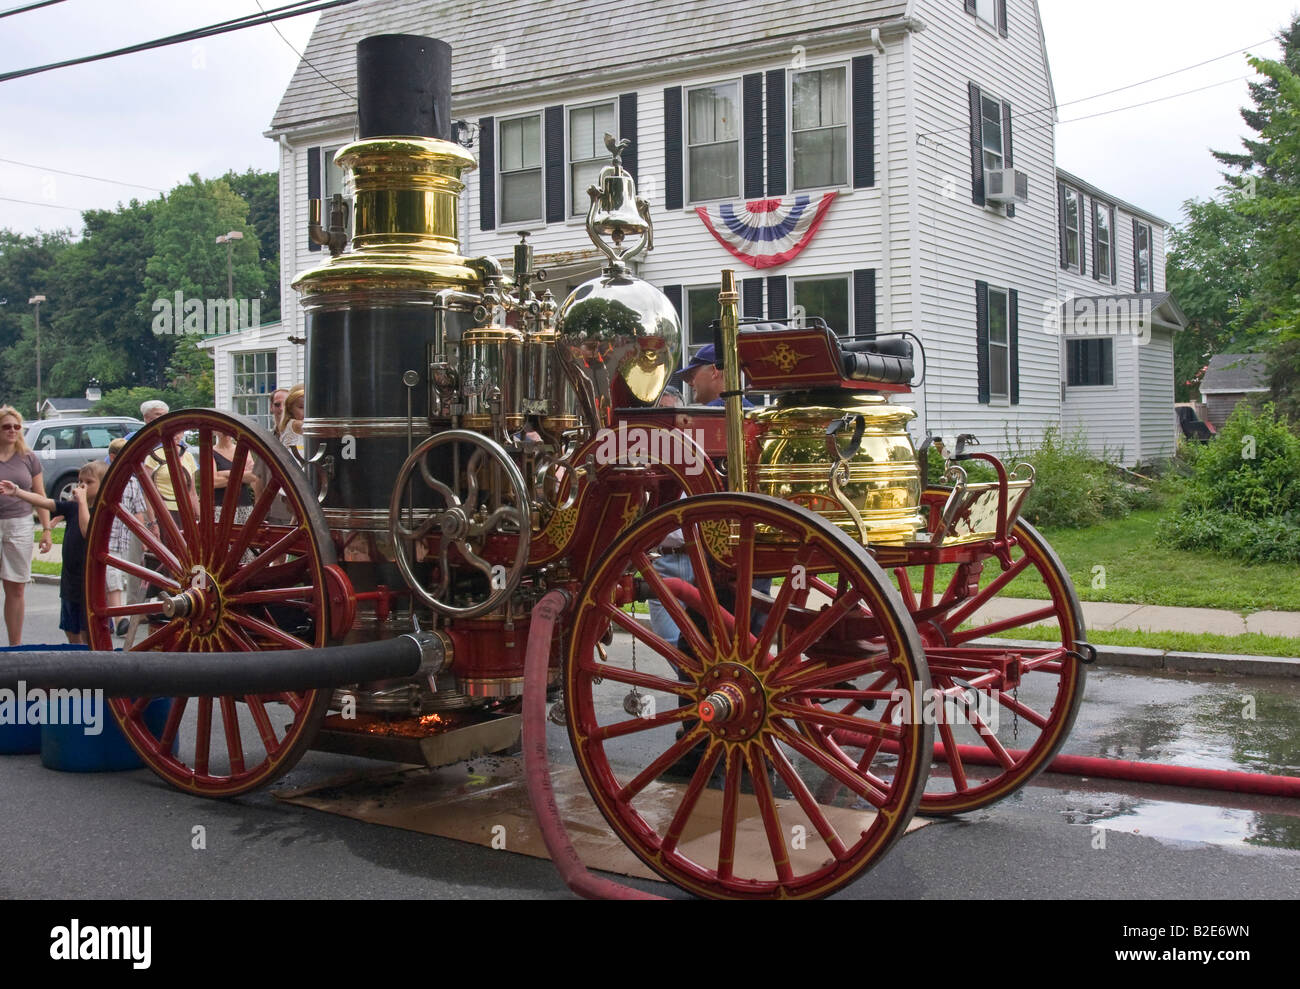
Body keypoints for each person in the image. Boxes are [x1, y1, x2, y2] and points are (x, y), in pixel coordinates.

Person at [0, 460, 106, 645]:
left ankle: (92, 667)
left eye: (89, 482)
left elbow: (86, 531)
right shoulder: (73, 507)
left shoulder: (100, 511)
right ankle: (76, 664)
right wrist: (17, 491)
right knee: (71, 629)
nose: (82, 486)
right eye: (81, 481)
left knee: (89, 630)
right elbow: (46, 502)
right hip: (70, 582)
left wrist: (81, 502)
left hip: (90, 583)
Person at [0, 405, 51, 645]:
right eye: (6, 427)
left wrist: (47, 529)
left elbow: (40, 495)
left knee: (16, 588)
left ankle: (15, 645)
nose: (12, 431)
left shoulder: (28, 457)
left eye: (16, 427)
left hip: (19, 524)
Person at [105, 437, 152, 638]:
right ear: (113, 457)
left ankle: (112, 616)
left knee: (118, 577)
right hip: (106, 537)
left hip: (124, 538)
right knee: (112, 577)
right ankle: (119, 620)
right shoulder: (104, 478)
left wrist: (143, 538)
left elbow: (138, 513)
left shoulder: (132, 483)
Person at [212, 429, 255, 524]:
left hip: (244, 505)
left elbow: (253, 476)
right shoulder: (211, 453)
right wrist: (243, 477)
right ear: (215, 431)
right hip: (221, 507)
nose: (226, 432)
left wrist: (224, 473)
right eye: (222, 429)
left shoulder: (244, 450)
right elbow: (214, 482)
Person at [279, 383, 305, 460]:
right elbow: (319, 429)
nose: (306, 411)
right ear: (290, 408)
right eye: (301, 407)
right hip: (294, 465)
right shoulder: (295, 424)